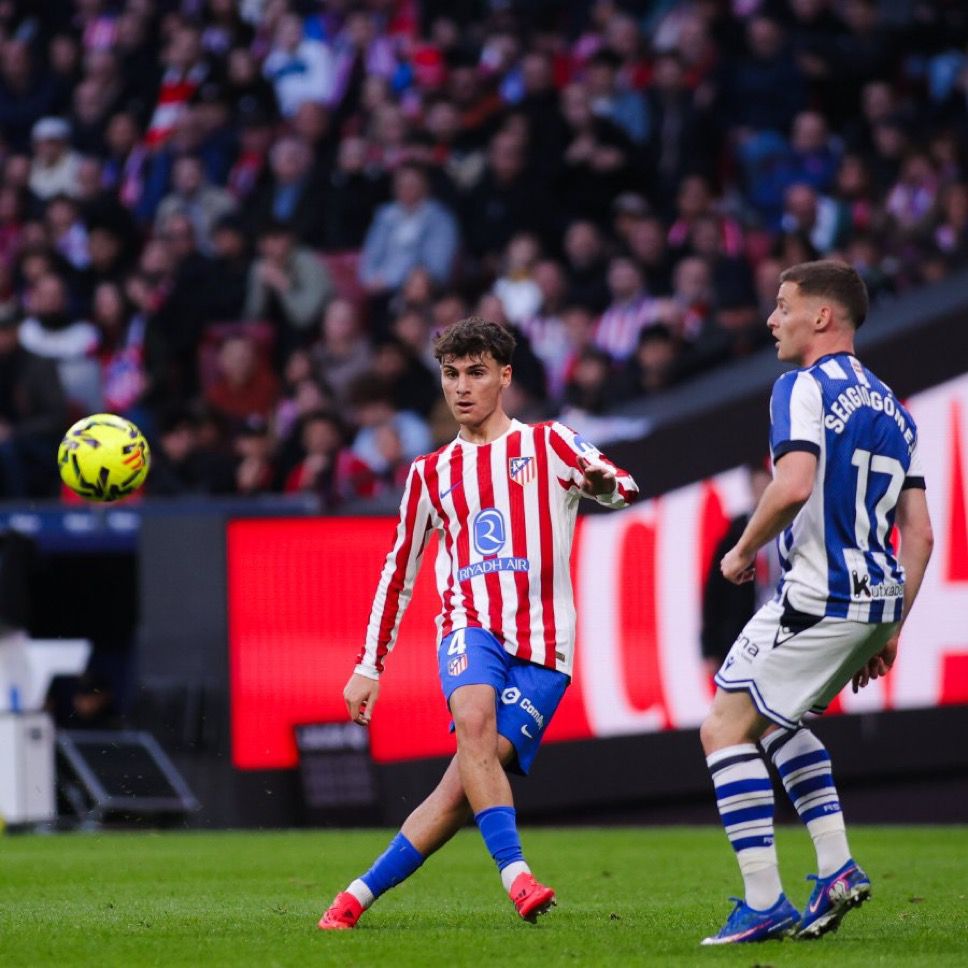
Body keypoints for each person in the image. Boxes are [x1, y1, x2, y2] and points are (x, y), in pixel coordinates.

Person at [319, 316, 638, 929]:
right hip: (470, 626)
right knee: (473, 723)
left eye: (476, 373)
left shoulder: (551, 444)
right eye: (450, 374)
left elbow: (623, 484)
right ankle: (517, 878)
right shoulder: (429, 473)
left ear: (505, 376)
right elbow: (398, 572)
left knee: (462, 784)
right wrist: (368, 666)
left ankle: (355, 896)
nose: (462, 387)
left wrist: (603, 487)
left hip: (546, 648)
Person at [699, 261, 934, 944]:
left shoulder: (798, 387)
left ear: (822, 318)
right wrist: (891, 629)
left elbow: (795, 483)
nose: (773, 320)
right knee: (773, 720)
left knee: (722, 727)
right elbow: (920, 533)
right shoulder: (895, 406)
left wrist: (743, 549)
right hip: (879, 597)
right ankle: (834, 866)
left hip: (817, 593)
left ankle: (764, 900)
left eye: (782, 306)